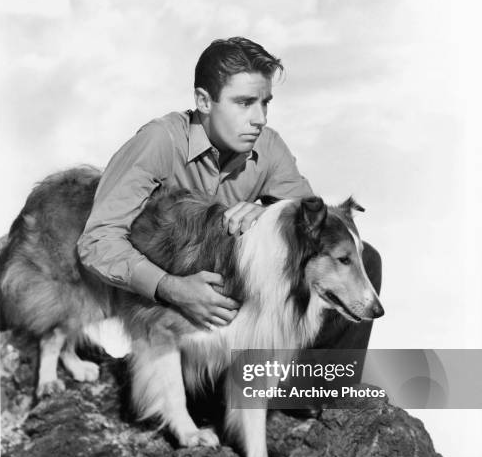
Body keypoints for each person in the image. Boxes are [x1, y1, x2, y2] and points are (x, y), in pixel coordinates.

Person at [77, 36, 381, 355]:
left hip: (233, 317)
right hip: (164, 313)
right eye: (244, 103)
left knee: (365, 260)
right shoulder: (159, 141)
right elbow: (97, 240)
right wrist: (170, 287)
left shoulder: (269, 146)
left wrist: (267, 216)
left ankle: (303, 394)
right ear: (204, 101)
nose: (260, 118)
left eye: (265, 103)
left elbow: (318, 232)